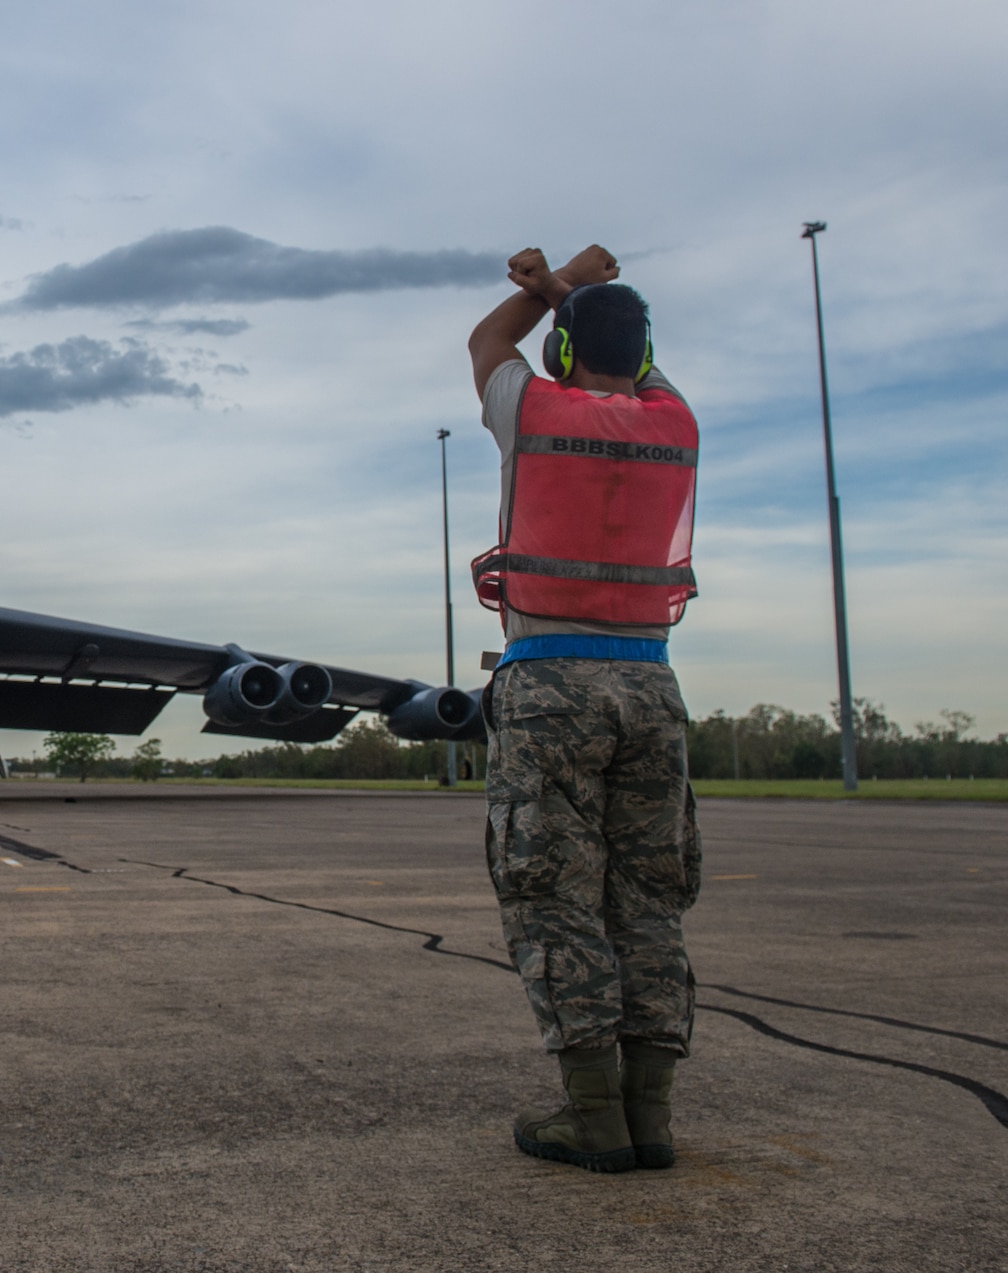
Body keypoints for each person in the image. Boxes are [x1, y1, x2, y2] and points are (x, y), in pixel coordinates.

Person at [466, 244, 704, 1174]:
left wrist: (544, 286)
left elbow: (490, 337)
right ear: (643, 352)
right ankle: (652, 1116)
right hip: (652, 681)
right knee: (649, 898)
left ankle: (592, 1115)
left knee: (553, 892)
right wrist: (573, 296)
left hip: (550, 681)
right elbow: (640, 366)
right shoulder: (676, 422)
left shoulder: (532, 407)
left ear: (561, 354)